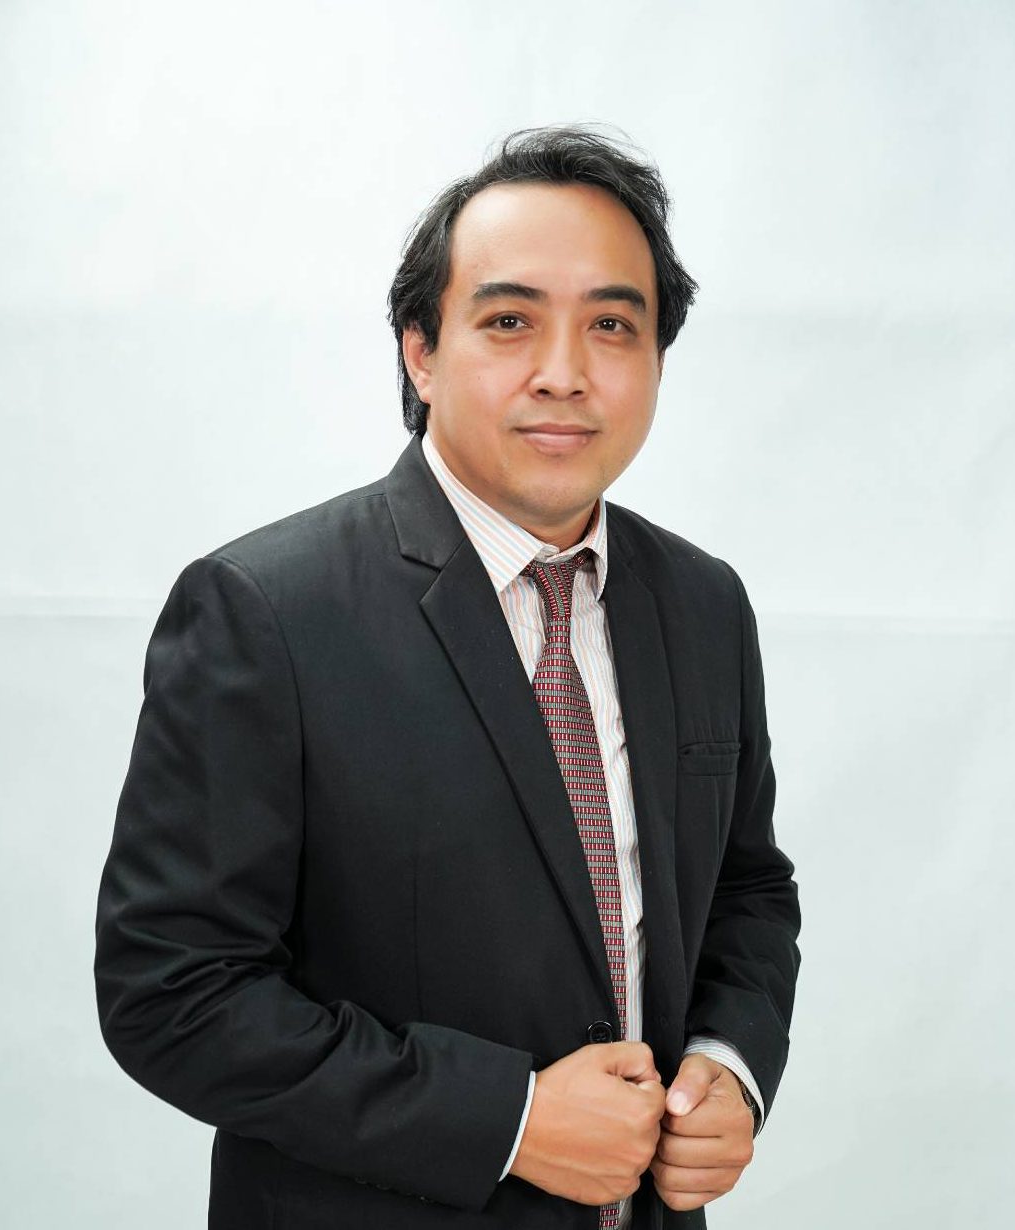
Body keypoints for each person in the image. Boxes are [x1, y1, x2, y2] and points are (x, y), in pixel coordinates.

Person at [94, 125, 801, 1229]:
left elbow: (749, 890)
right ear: (420, 351)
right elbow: (171, 991)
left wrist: (730, 1062)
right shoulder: (265, 612)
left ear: (658, 358)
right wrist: (506, 1119)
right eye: (510, 321)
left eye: (612, 325)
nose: (564, 373)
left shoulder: (705, 605)